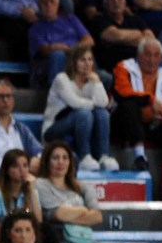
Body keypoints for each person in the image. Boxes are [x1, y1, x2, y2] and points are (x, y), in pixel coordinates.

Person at [36, 141, 124, 243]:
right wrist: (83, 210)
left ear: (70, 162)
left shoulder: (81, 186)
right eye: (55, 158)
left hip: (85, 238)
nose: (60, 162)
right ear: (47, 161)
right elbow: (57, 214)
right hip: (61, 240)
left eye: (65, 158)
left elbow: (97, 216)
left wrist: (69, 214)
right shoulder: (41, 184)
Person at [111, 37, 162, 170]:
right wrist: (151, 100)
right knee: (130, 106)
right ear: (139, 55)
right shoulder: (124, 67)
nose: (152, 60)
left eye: (156, 55)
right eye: (147, 54)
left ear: (161, 58)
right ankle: (139, 156)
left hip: (153, 125)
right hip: (123, 123)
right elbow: (122, 92)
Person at [42, 43, 114, 172]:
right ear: (74, 62)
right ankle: (84, 156)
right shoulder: (62, 79)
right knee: (84, 113)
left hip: (80, 124)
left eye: (90, 59)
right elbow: (74, 102)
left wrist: (97, 82)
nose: (87, 64)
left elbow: (103, 104)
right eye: (82, 60)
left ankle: (104, 156)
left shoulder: (92, 80)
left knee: (102, 113)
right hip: (54, 128)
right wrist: (94, 104)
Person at [0, 78, 43, 183]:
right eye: (0, 96)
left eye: (9, 96)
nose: (5, 100)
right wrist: (9, 175)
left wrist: (38, 158)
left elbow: (39, 150)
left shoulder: (21, 128)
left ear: (13, 100)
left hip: (23, 180)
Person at [28, 0, 93, 86]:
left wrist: (72, 49)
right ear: (38, 5)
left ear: (57, 4)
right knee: (57, 55)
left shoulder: (70, 19)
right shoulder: (35, 28)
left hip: (75, 58)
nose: (48, 5)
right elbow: (45, 50)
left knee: (105, 77)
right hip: (48, 64)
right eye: (44, 2)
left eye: (52, 1)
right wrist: (56, 48)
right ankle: (57, 91)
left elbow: (89, 40)